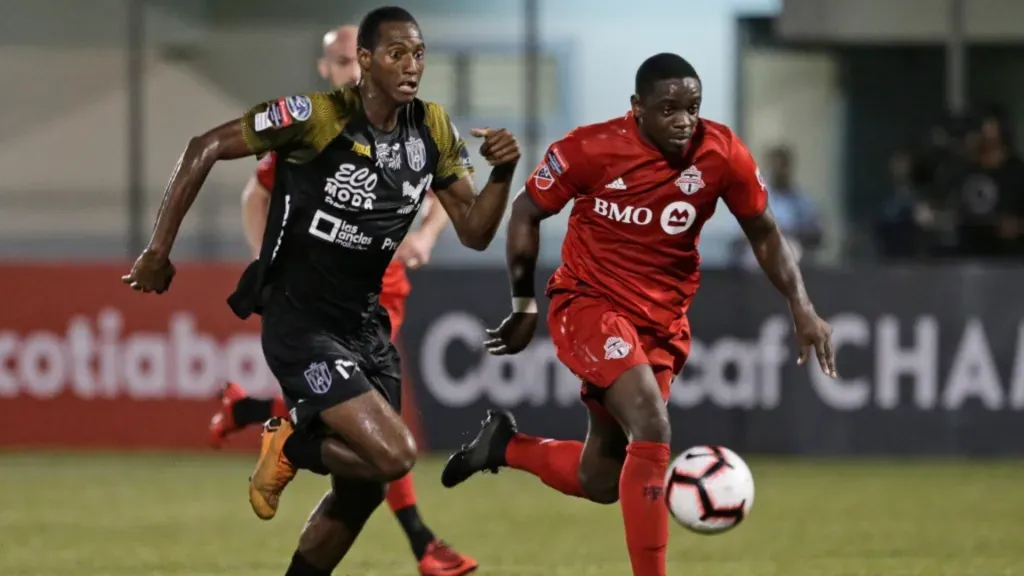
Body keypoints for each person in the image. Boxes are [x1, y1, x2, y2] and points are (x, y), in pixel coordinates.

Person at [122, 7, 520, 576]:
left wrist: (502, 174)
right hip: (300, 320)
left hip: (366, 325)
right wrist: (159, 252)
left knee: (362, 490)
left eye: (419, 53)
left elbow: (477, 232)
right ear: (363, 61)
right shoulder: (315, 115)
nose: (412, 66)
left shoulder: (431, 128)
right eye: (396, 54)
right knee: (396, 455)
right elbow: (202, 147)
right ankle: (288, 445)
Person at [440, 53, 835, 576]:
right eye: (668, 108)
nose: (683, 120)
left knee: (601, 479)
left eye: (692, 108)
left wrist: (801, 306)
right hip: (588, 302)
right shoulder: (589, 149)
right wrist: (524, 303)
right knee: (652, 423)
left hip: (661, 322)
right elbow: (526, 211)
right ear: (637, 109)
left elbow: (763, 230)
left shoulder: (721, 153)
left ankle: (505, 446)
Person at [206, 23, 474, 576]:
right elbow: (254, 193)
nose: (356, 70)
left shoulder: (418, 128)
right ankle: (421, 539)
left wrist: (424, 236)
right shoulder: (312, 127)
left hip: (378, 293)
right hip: (313, 305)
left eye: (413, 55)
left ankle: (254, 415)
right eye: (344, 62)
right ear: (333, 69)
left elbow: (448, 188)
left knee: (363, 439)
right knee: (374, 435)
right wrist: (266, 262)